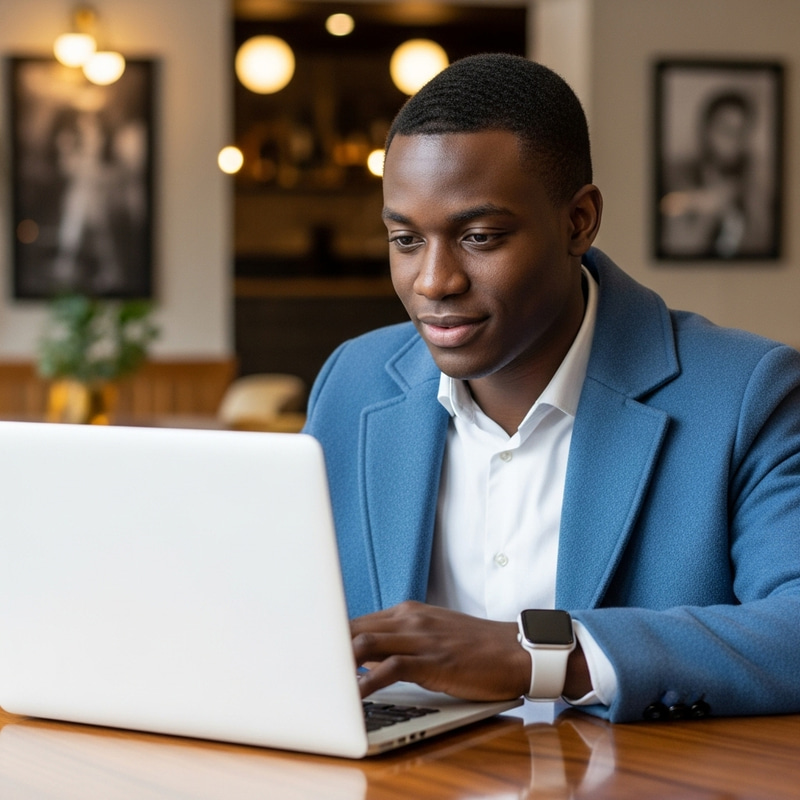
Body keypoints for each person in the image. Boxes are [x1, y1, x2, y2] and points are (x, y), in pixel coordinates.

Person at [302, 53, 800, 723]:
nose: (434, 281)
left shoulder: (746, 393)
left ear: (578, 222)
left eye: (480, 236)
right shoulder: (353, 382)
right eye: (406, 239)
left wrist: (538, 656)